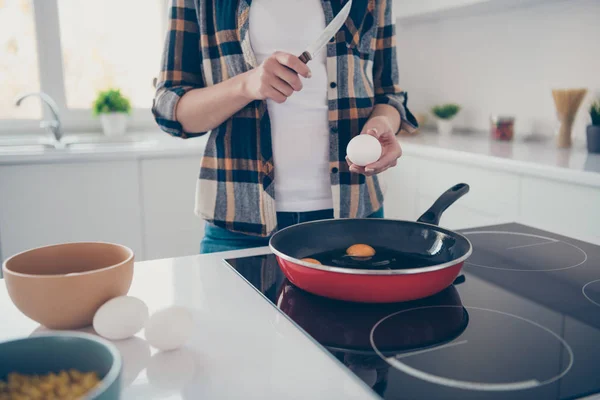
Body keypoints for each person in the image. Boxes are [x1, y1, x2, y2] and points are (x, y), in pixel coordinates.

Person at [152, 0, 417, 254]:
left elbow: (390, 95)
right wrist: (246, 85)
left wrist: (382, 124)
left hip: (355, 214)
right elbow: (170, 109)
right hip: (238, 222)